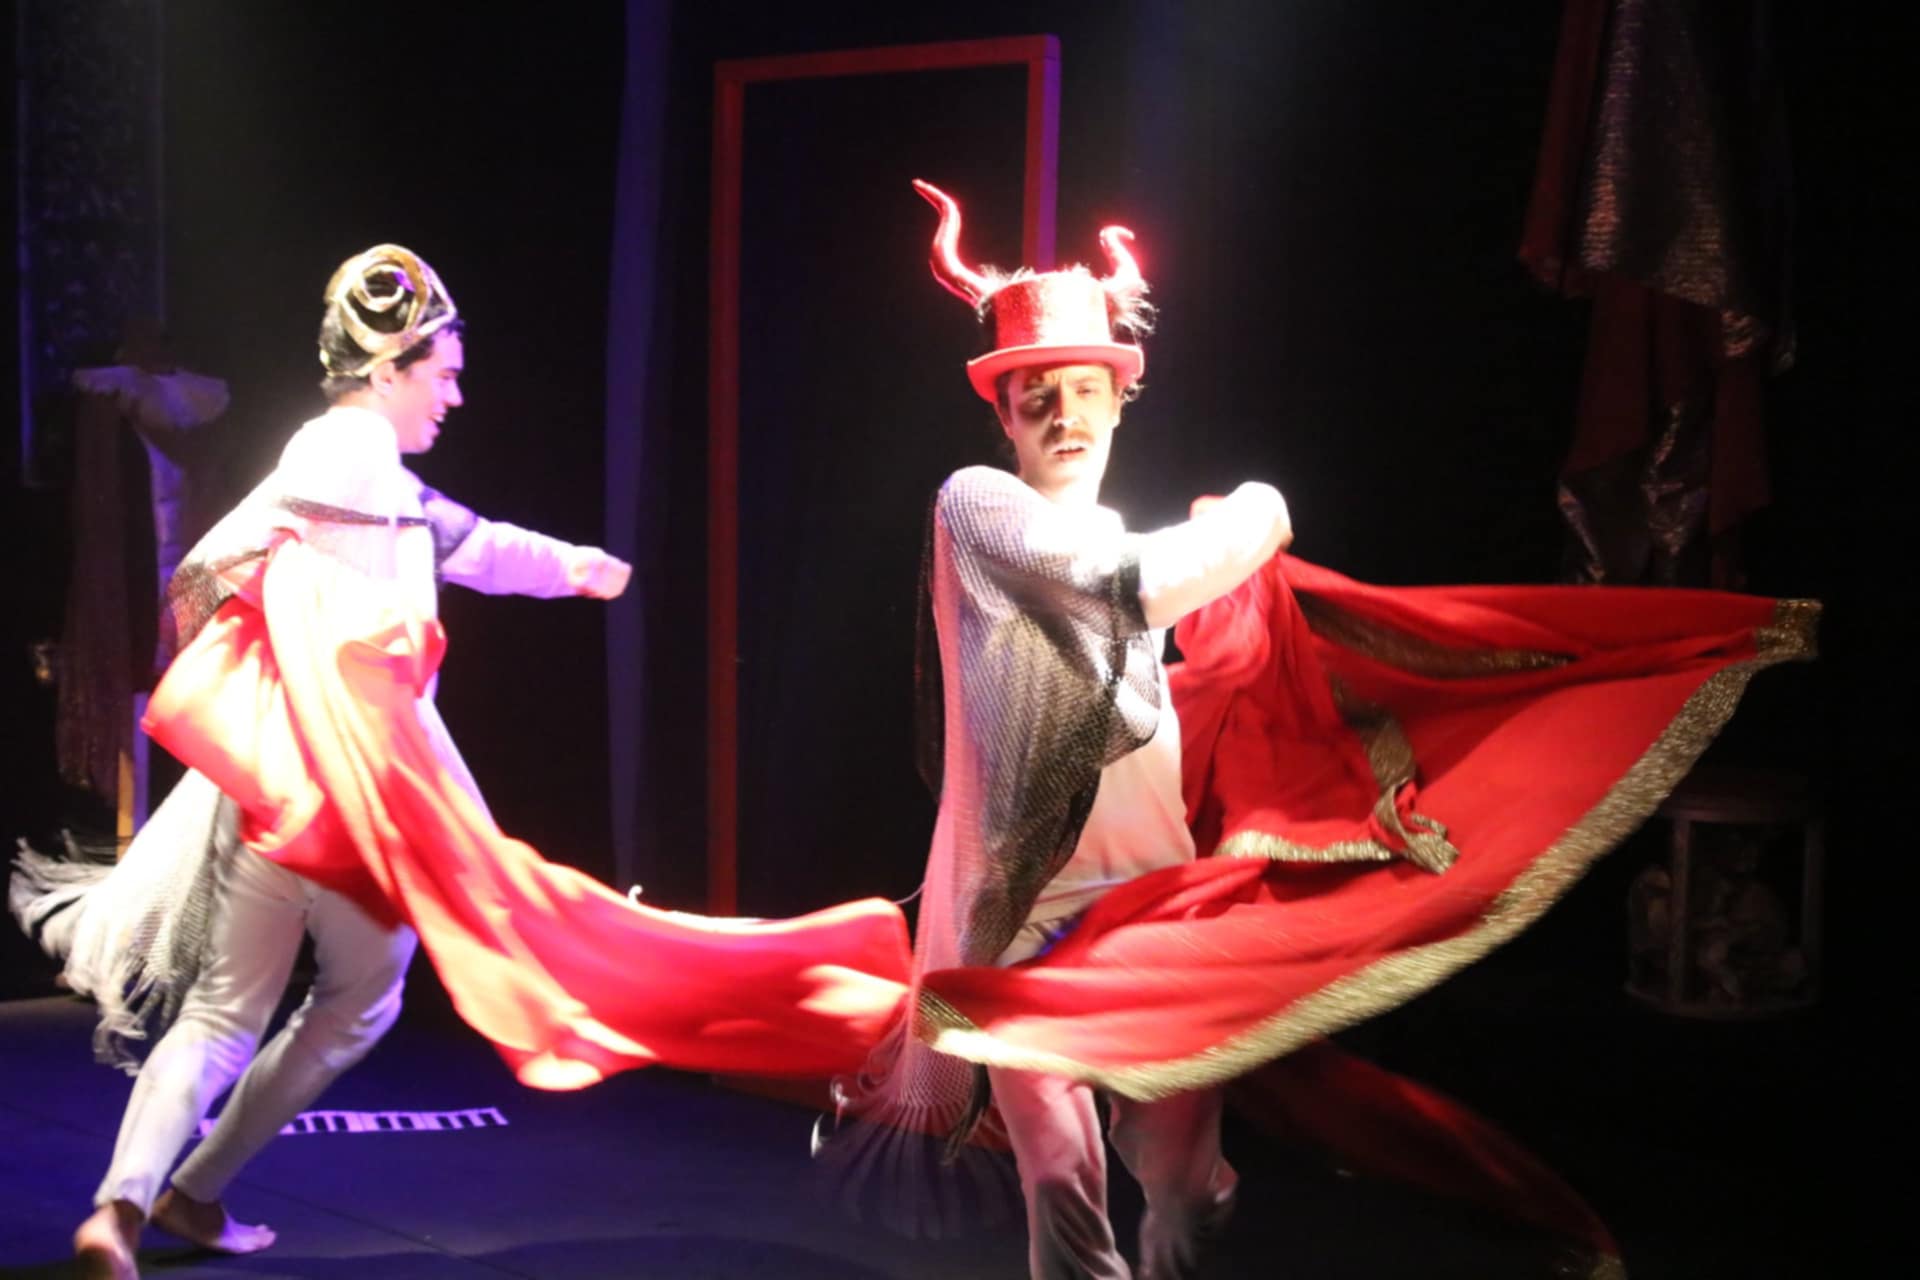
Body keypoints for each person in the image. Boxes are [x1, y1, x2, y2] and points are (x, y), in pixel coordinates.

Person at [16, 244, 630, 1279]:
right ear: (387, 369)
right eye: (443, 375)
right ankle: (183, 1191)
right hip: (344, 802)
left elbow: (466, 542)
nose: (455, 396)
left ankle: (127, 1210)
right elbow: (230, 562)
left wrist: (572, 566)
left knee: (235, 1009)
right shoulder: (339, 454)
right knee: (359, 996)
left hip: (282, 795)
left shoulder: (364, 473)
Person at [867, 180, 1293, 1279]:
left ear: (1119, 403)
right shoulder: (978, 507)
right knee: (1059, 1178)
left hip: (1156, 903)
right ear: (1003, 416)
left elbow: (1148, 609)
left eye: (1085, 392)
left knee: (1183, 1186)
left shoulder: (1121, 535)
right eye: (1036, 396)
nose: (1063, 415)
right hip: (1030, 915)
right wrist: (1260, 510)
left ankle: (1196, 1190)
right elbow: (1130, 585)